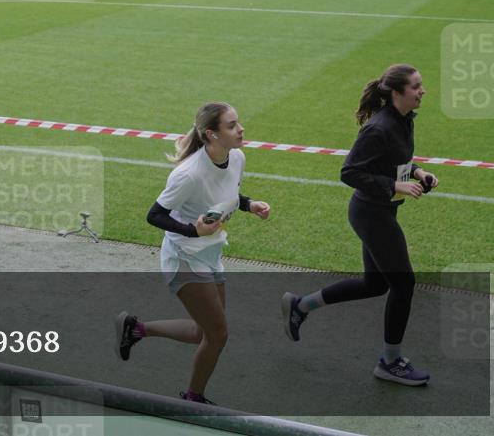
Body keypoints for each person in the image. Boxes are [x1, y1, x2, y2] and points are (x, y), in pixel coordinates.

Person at [281, 64, 438, 387]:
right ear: (397, 93)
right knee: (403, 283)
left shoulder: (403, 120)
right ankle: (390, 361)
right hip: (371, 214)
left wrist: (419, 173)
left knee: (376, 284)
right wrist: (395, 186)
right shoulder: (378, 127)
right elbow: (349, 172)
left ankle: (301, 306)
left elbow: (393, 160)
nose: (422, 91)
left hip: (382, 211)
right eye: (416, 86)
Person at [115, 102, 270, 405]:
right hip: (183, 256)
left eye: (238, 122)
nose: (241, 129)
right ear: (211, 134)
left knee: (205, 332)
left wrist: (249, 204)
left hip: (210, 252)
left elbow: (226, 193)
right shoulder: (188, 174)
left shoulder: (236, 157)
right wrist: (193, 231)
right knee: (218, 335)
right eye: (231, 125)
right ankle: (192, 398)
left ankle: (135, 329)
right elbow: (155, 215)